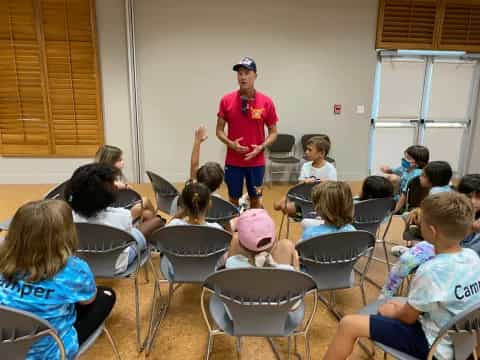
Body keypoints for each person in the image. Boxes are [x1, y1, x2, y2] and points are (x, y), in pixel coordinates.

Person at [324, 192, 480, 360]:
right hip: (464, 342)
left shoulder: (431, 270)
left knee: (349, 324)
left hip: (435, 346)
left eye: (422, 222)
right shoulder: (472, 257)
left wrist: (393, 311)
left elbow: (408, 318)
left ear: (433, 231)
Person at [0, 200, 116, 360]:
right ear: (66, 233)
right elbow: (88, 301)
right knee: (106, 295)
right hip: (52, 353)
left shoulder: (4, 258)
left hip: (5, 346)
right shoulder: (74, 269)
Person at [381, 173, 480, 299]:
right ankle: (388, 290)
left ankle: (386, 293)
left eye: (478, 197)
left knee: (409, 259)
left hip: (459, 260)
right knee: (411, 256)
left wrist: (471, 229)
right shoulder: (458, 209)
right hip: (444, 247)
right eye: (469, 196)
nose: (473, 202)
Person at [66, 163, 164, 274]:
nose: (116, 186)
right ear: (102, 195)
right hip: (116, 264)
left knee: (145, 216)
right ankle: (162, 250)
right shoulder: (121, 216)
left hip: (81, 262)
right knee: (157, 221)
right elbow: (130, 232)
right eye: (112, 183)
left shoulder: (68, 217)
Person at [216, 57, 278, 208]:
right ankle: (234, 229)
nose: (243, 77)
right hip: (233, 161)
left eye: (247, 73)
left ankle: (252, 230)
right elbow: (219, 131)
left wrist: (261, 147)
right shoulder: (226, 100)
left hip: (256, 162)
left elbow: (274, 132)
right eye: (240, 73)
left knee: (256, 201)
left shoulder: (266, 102)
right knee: (232, 201)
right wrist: (231, 143)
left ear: (255, 75)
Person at [273, 136, 337, 219]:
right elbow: (300, 184)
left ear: (321, 153)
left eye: (310, 150)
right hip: (304, 196)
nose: (306, 152)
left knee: (286, 208)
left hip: (320, 200)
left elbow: (333, 190)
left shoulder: (330, 168)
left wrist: (320, 182)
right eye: (306, 149)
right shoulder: (306, 166)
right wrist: (305, 182)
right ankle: (302, 214)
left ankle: (303, 215)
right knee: (276, 206)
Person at [170, 127, 225, 214]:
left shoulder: (188, 191)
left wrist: (197, 142)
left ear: (198, 177)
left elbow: (194, 165)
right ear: (219, 186)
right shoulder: (218, 202)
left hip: (179, 225)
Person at [95, 145, 156, 220]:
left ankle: (158, 224)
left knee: (148, 214)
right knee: (145, 201)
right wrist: (122, 186)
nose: (123, 162)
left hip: (115, 210)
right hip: (111, 216)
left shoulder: (106, 177)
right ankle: (158, 221)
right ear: (109, 162)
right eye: (119, 160)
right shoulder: (101, 181)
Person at [225, 209, 299, 270]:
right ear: (275, 240)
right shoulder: (287, 269)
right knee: (286, 244)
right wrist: (296, 267)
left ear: (240, 245)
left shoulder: (232, 263)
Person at [380, 145, 429, 213]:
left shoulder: (416, 175)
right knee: (389, 177)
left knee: (393, 179)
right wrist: (387, 170)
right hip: (399, 195)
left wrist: (394, 212)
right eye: (405, 156)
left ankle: (395, 208)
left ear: (418, 163)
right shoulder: (406, 168)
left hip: (406, 201)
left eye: (408, 158)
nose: (404, 159)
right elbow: (394, 171)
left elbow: (404, 196)